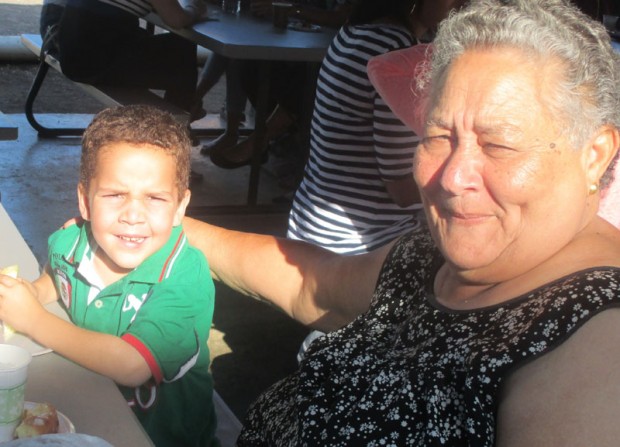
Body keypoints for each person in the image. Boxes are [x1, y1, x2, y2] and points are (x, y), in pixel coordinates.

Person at [181, 0, 620, 444]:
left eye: (499, 145)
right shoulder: (435, 254)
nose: (451, 178)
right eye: (437, 136)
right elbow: (315, 286)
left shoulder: (598, 340)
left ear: (595, 155)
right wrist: (174, 226)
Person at [0, 106, 218, 447]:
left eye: (154, 198)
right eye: (115, 195)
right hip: (92, 410)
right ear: (85, 202)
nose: (133, 215)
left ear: (179, 207)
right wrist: (35, 292)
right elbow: (57, 275)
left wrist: (33, 319)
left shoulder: (185, 278)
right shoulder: (72, 241)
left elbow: (132, 365)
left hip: (162, 437)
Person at [208, 0, 354, 169]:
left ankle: (260, 141)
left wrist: (292, 10)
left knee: (304, 77)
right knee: (249, 63)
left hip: (343, 54)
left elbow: (342, 16)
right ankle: (275, 137)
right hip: (314, 40)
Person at [55, 0, 206, 115]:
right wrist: (195, 9)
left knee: (164, 46)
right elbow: (176, 19)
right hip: (93, 61)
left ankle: (185, 111)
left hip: (71, 51)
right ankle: (176, 125)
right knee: (182, 51)